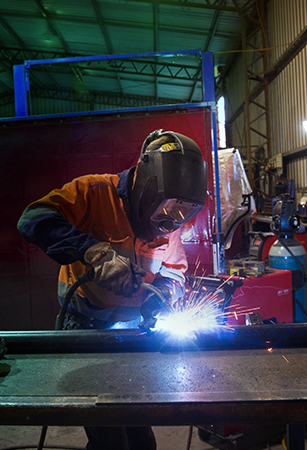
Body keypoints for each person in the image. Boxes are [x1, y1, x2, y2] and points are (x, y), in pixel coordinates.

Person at [17, 129, 208, 450]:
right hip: (84, 325)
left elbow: (175, 272)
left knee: (141, 434)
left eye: (185, 210)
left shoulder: (170, 223)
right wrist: (93, 252)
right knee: (108, 435)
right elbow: (33, 218)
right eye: (170, 205)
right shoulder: (94, 191)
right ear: (146, 183)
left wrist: (161, 296)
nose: (173, 218)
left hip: (134, 332)